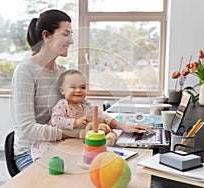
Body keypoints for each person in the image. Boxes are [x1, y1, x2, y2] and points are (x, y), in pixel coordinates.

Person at [11, 9, 154, 172]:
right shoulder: (26, 71)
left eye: (71, 34)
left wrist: (122, 125)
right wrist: (74, 134)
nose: (71, 41)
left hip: (61, 145)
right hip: (30, 153)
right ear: (46, 36)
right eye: (65, 34)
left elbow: (87, 110)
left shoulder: (62, 72)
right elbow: (27, 129)